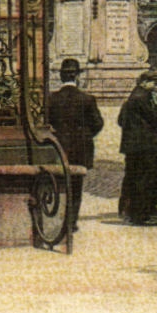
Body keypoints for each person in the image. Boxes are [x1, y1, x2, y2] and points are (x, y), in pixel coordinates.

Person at [45, 58, 103, 232]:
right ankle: (71, 222)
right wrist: (85, 135)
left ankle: (57, 219)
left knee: (58, 183)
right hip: (80, 148)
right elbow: (98, 123)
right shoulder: (87, 99)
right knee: (76, 186)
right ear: (77, 76)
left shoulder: (51, 99)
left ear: (61, 76)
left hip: (58, 148)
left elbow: (45, 123)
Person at [118, 71, 157, 225]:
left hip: (132, 146)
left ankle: (129, 212)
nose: (155, 86)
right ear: (144, 82)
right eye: (153, 83)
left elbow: (120, 120)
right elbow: (155, 118)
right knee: (147, 179)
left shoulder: (131, 98)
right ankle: (142, 214)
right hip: (144, 146)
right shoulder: (142, 97)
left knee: (133, 178)